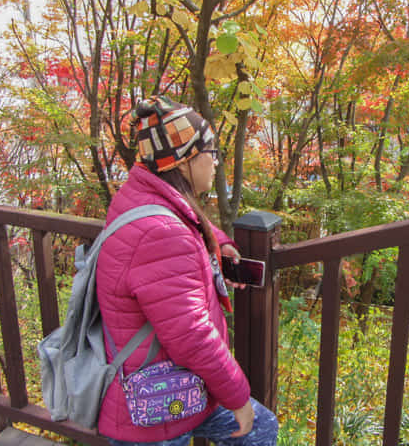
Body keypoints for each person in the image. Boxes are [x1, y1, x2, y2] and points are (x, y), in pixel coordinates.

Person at [95, 96, 278, 446]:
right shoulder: (161, 233)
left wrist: (218, 244)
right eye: (212, 153)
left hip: (171, 383)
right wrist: (237, 397)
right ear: (184, 161)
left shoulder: (141, 196)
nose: (216, 164)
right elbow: (191, 335)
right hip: (155, 405)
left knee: (263, 427)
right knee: (256, 427)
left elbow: (188, 220)